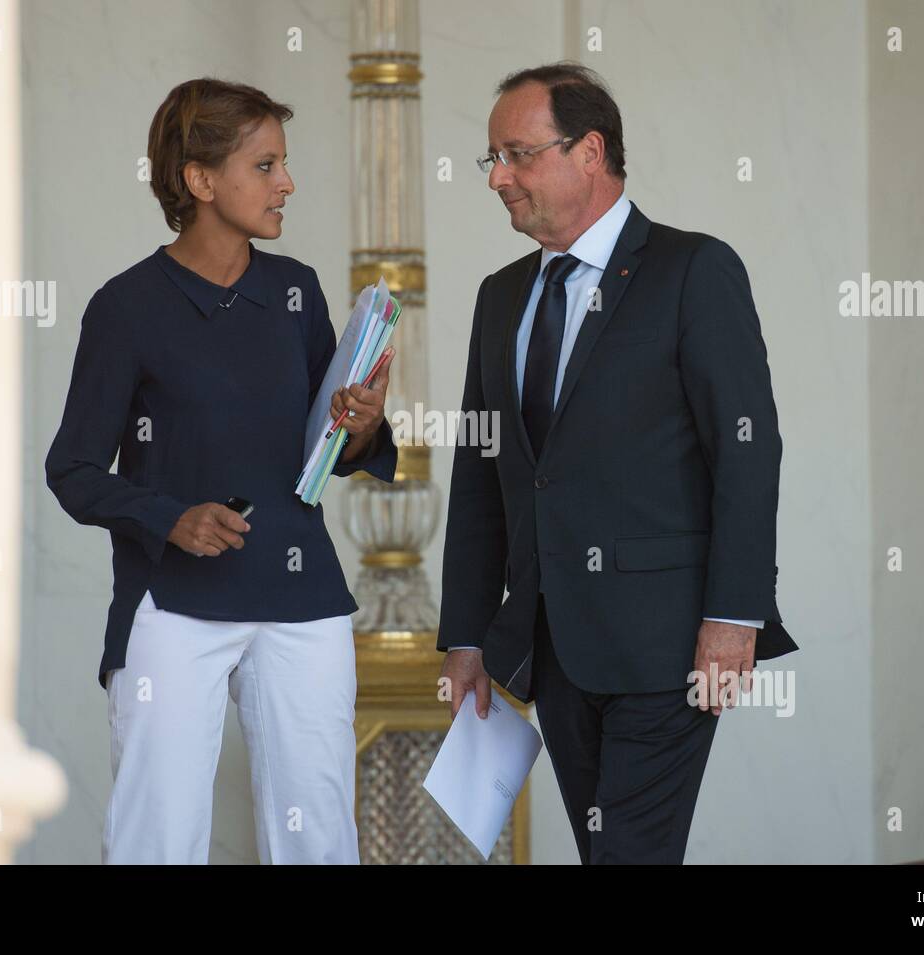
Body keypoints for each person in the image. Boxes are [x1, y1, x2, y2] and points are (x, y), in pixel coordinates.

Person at [437, 62, 797, 864]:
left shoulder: (692, 270)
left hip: (669, 646)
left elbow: (747, 447)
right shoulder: (500, 296)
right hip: (551, 647)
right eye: (491, 158)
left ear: (590, 151)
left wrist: (735, 616)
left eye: (518, 154)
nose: (498, 177)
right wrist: (466, 632)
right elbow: (482, 473)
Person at [45, 77, 396, 864]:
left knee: (321, 837)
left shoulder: (297, 290)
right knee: (156, 840)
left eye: (284, 163)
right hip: (172, 603)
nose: (287, 183)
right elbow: (70, 468)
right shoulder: (126, 307)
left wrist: (363, 428)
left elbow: (328, 448)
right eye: (265, 165)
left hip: (303, 598)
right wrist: (169, 516)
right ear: (201, 181)